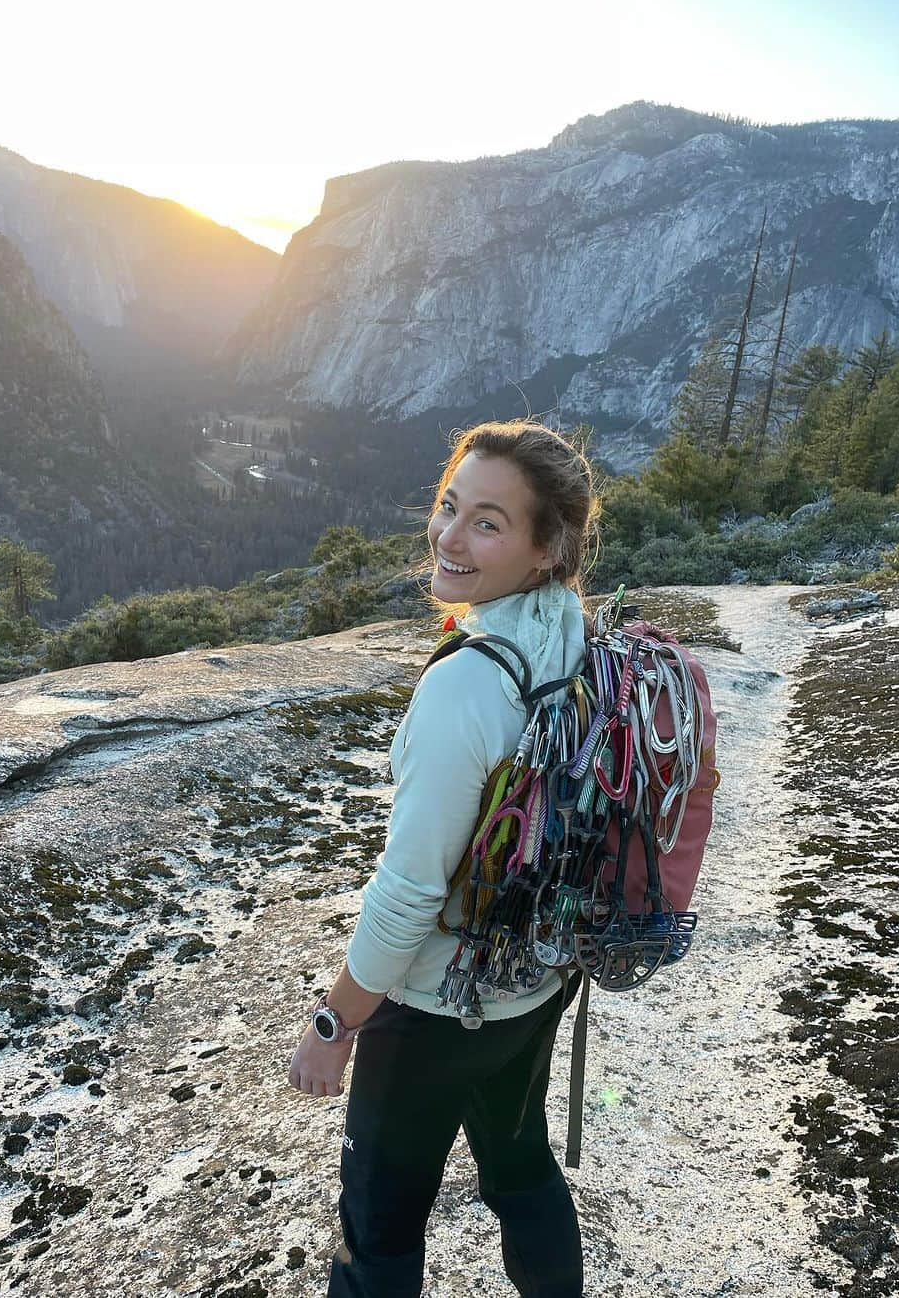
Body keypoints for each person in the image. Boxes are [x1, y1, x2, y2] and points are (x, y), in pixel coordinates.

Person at [288, 418, 600, 1297]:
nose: (450, 537)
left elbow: (409, 892)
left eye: (488, 522)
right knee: (520, 1171)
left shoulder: (464, 682)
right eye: (448, 506)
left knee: (378, 1232)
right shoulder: (568, 632)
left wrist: (334, 1022)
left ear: (547, 547)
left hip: (433, 1008)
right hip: (533, 980)